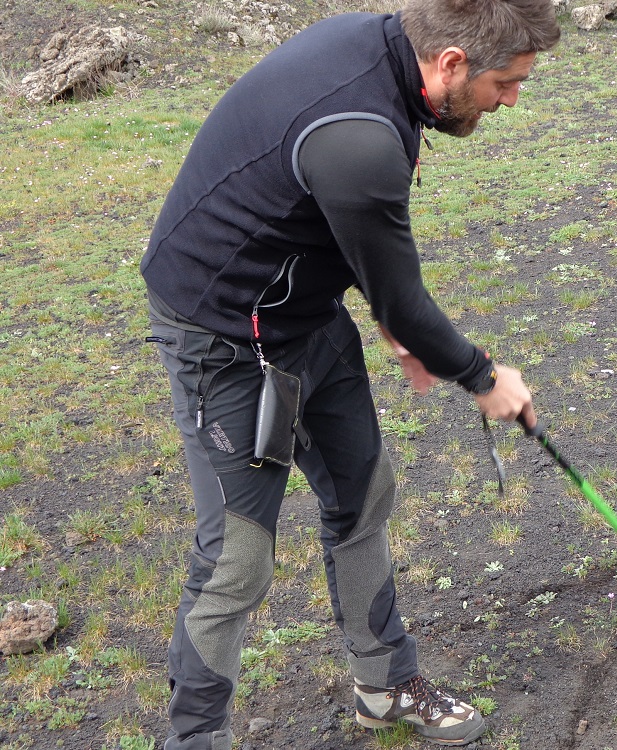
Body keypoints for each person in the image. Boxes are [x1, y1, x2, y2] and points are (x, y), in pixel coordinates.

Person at [140, 0, 559, 747]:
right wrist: (482, 374)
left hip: (303, 311)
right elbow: (401, 294)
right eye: (507, 82)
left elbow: (343, 229)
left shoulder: (386, 52)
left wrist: (391, 320)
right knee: (237, 557)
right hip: (223, 335)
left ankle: (385, 685)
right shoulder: (360, 137)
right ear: (452, 63)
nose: (513, 101)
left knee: (364, 494)